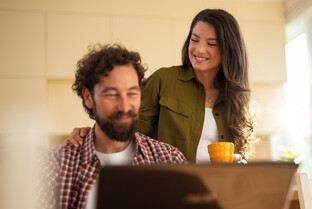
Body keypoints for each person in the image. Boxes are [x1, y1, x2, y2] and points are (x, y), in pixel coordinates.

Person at [64, 8, 258, 164]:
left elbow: (241, 154)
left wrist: (239, 163)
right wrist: (92, 134)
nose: (199, 49)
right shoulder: (165, 80)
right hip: (167, 188)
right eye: (195, 39)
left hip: (214, 193)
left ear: (228, 50)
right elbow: (127, 131)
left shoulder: (235, 97)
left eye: (211, 43)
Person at [39, 43, 187, 209]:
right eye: (111, 94)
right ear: (88, 97)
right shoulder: (52, 167)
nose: (125, 106)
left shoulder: (170, 161)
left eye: (132, 93)